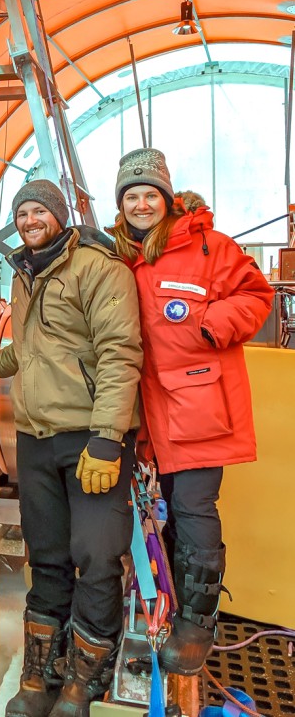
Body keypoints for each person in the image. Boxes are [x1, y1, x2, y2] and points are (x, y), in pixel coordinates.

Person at [110, 147, 273, 676]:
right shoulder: (121, 255)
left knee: (195, 509)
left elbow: (257, 295)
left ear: (166, 197)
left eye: (148, 194)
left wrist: (210, 326)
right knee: (173, 508)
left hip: (199, 405)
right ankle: (178, 604)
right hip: (152, 410)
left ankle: (198, 625)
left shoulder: (209, 247)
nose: (140, 204)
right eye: (130, 196)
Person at [0, 180, 143, 717]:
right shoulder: (25, 273)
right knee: (48, 558)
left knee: (96, 557)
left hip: (90, 438)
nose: (30, 219)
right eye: (22, 212)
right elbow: (39, 352)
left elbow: (119, 354)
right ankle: (41, 676)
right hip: (35, 438)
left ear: (59, 215)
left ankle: (83, 683)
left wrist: (106, 440)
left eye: (39, 211)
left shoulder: (100, 268)